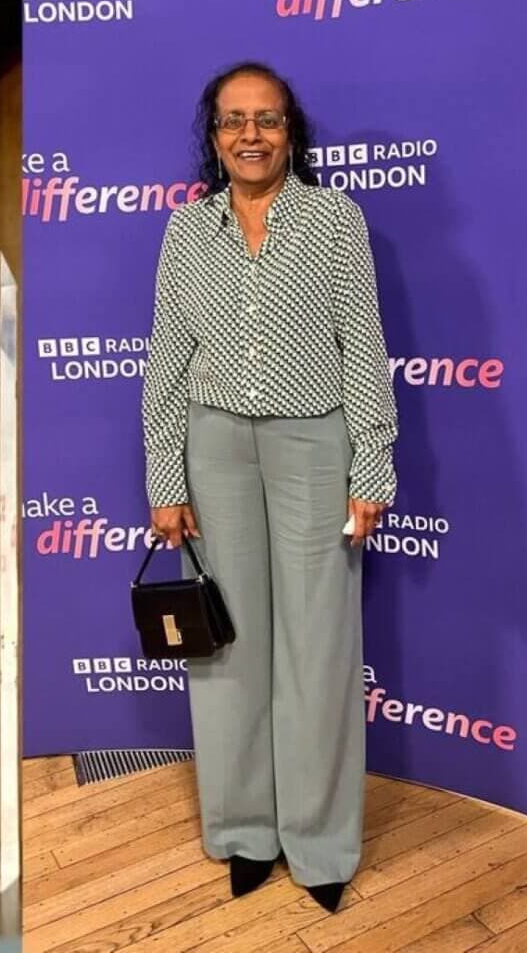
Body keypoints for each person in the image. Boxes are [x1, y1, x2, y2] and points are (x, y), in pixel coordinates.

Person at [141, 61, 397, 913]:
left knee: (320, 648)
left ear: (291, 130)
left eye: (267, 119)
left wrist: (373, 460)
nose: (250, 135)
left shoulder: (333, 222)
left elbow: (362, 346)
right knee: (228, 647)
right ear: (213, 137)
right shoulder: (187, 233)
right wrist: (164, 477)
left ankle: (320, 844)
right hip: (213, 448)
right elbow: (166, 366)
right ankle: (245, 831)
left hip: (312, 446)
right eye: (232, 121)